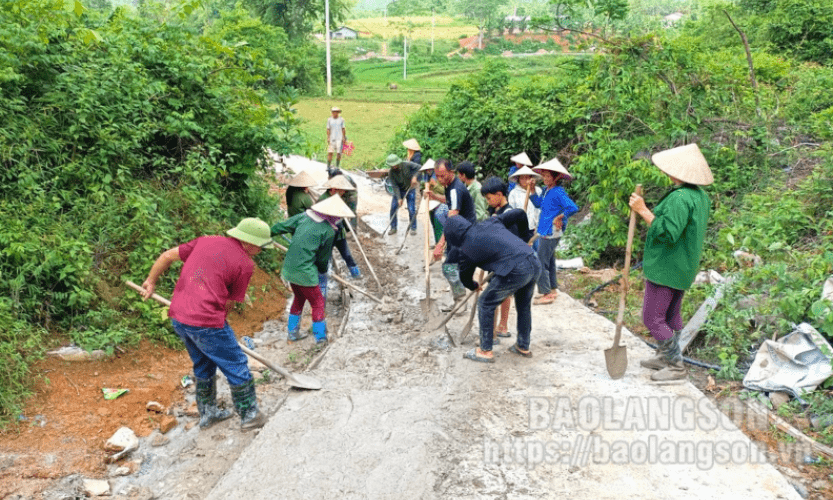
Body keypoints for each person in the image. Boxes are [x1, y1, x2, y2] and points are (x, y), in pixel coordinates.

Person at [141, 218, 275, 431]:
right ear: (249, 243)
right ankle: (249, 415)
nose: (261, 250)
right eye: (260, 246)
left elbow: (167, 256)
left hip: (179, 317)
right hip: (206, 321)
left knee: (203, 363)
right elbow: (230, 302)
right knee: (237, 363)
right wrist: (218, 322)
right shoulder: (245, 265)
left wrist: (151, 281)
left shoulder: (205, 241)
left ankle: (208, 413)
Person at [629, 143, 712, 382]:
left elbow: (667, 233)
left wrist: (642, 209)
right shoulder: (699, 196)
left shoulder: (680, 198)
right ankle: (665, 357)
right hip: (683, 265)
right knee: (671, 314)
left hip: (667, 266)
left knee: (652, 318)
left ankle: (675, 366)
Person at [444, 215, 541, 363]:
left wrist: (474, 286)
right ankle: (523, 346)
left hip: (517, 270)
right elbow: (519, 213)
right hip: (533, 260)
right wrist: (525, 236)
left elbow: (465, 277)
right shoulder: (491, 222)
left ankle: (485, 350)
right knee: (523, 306)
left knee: (485, 303)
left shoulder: (466, 248)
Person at [270, 195, 355, 344]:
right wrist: (323, 271)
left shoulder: (303, 216)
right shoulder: (328, 231)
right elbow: (323, 259)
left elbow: (281, 227)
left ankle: (293, 333)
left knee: (299, 299)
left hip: (289, 269)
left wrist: (267, 233)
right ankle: (320, 338)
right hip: (305, 272)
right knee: (318, 304)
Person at [482, 177, 532, 342]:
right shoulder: (495, 211)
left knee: (494, 297)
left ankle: (493, 333)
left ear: (498, 194)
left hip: (504, 264)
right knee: (501, 296)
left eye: (489, 198)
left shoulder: (509, 215)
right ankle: (500, 327)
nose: (488, 202)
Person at [529, 157, 579, 305]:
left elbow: (573, 207)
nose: (545, 178)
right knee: (549, 260)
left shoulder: (558, 192)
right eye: (543, 175)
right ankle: (553, 289)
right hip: (544, 229)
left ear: (556, 177)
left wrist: (560, 216)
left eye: (548, 176)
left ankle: (546, 293)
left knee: (540, 261)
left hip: (551, 231)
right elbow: (539, 205)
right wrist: (532, 191)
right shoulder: (546, 191)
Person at [428, 159, 476, 308]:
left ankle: (461, 301)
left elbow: (452, 219)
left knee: (449, 267)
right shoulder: (450, 186)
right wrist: (435, 197)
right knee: (452, 267)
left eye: (443, 176)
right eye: (437, 176)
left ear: (451, 172)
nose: (440, 179)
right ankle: (460, 299)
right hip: (459, 232)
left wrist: (440, 243)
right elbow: (451, 203)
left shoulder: (456, 189)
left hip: (464, 234)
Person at [319, 174, 361, 278]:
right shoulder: (323, 200)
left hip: (339, 233)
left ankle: (356, 273)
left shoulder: (338, 198)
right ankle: (325, 279)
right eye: (342, 190)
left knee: (346, 254)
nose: (344, 193)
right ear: (334, 189)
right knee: (326, 257)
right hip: (327, 235)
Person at [385, 154, 421, 235]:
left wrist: (415, 177)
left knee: (411, 209)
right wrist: (398, 198)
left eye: (395, 164)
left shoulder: (407, 164)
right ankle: (393, 228)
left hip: (410, 189)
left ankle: (413, 228)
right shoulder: (391, 173)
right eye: (392, 165)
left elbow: (420, 168)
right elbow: (395, 186)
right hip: (399, 190)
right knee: (393, 208)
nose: (394, 166)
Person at [507, 166, 543, 242]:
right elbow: (512, 212)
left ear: (531, 179)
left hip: (536, 228)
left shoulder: (538, 191)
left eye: (527, 178)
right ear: (518, 179)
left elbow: (540, 208)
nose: (525, 180)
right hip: (521, 229)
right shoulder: (513, 193)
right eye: (522, 178)